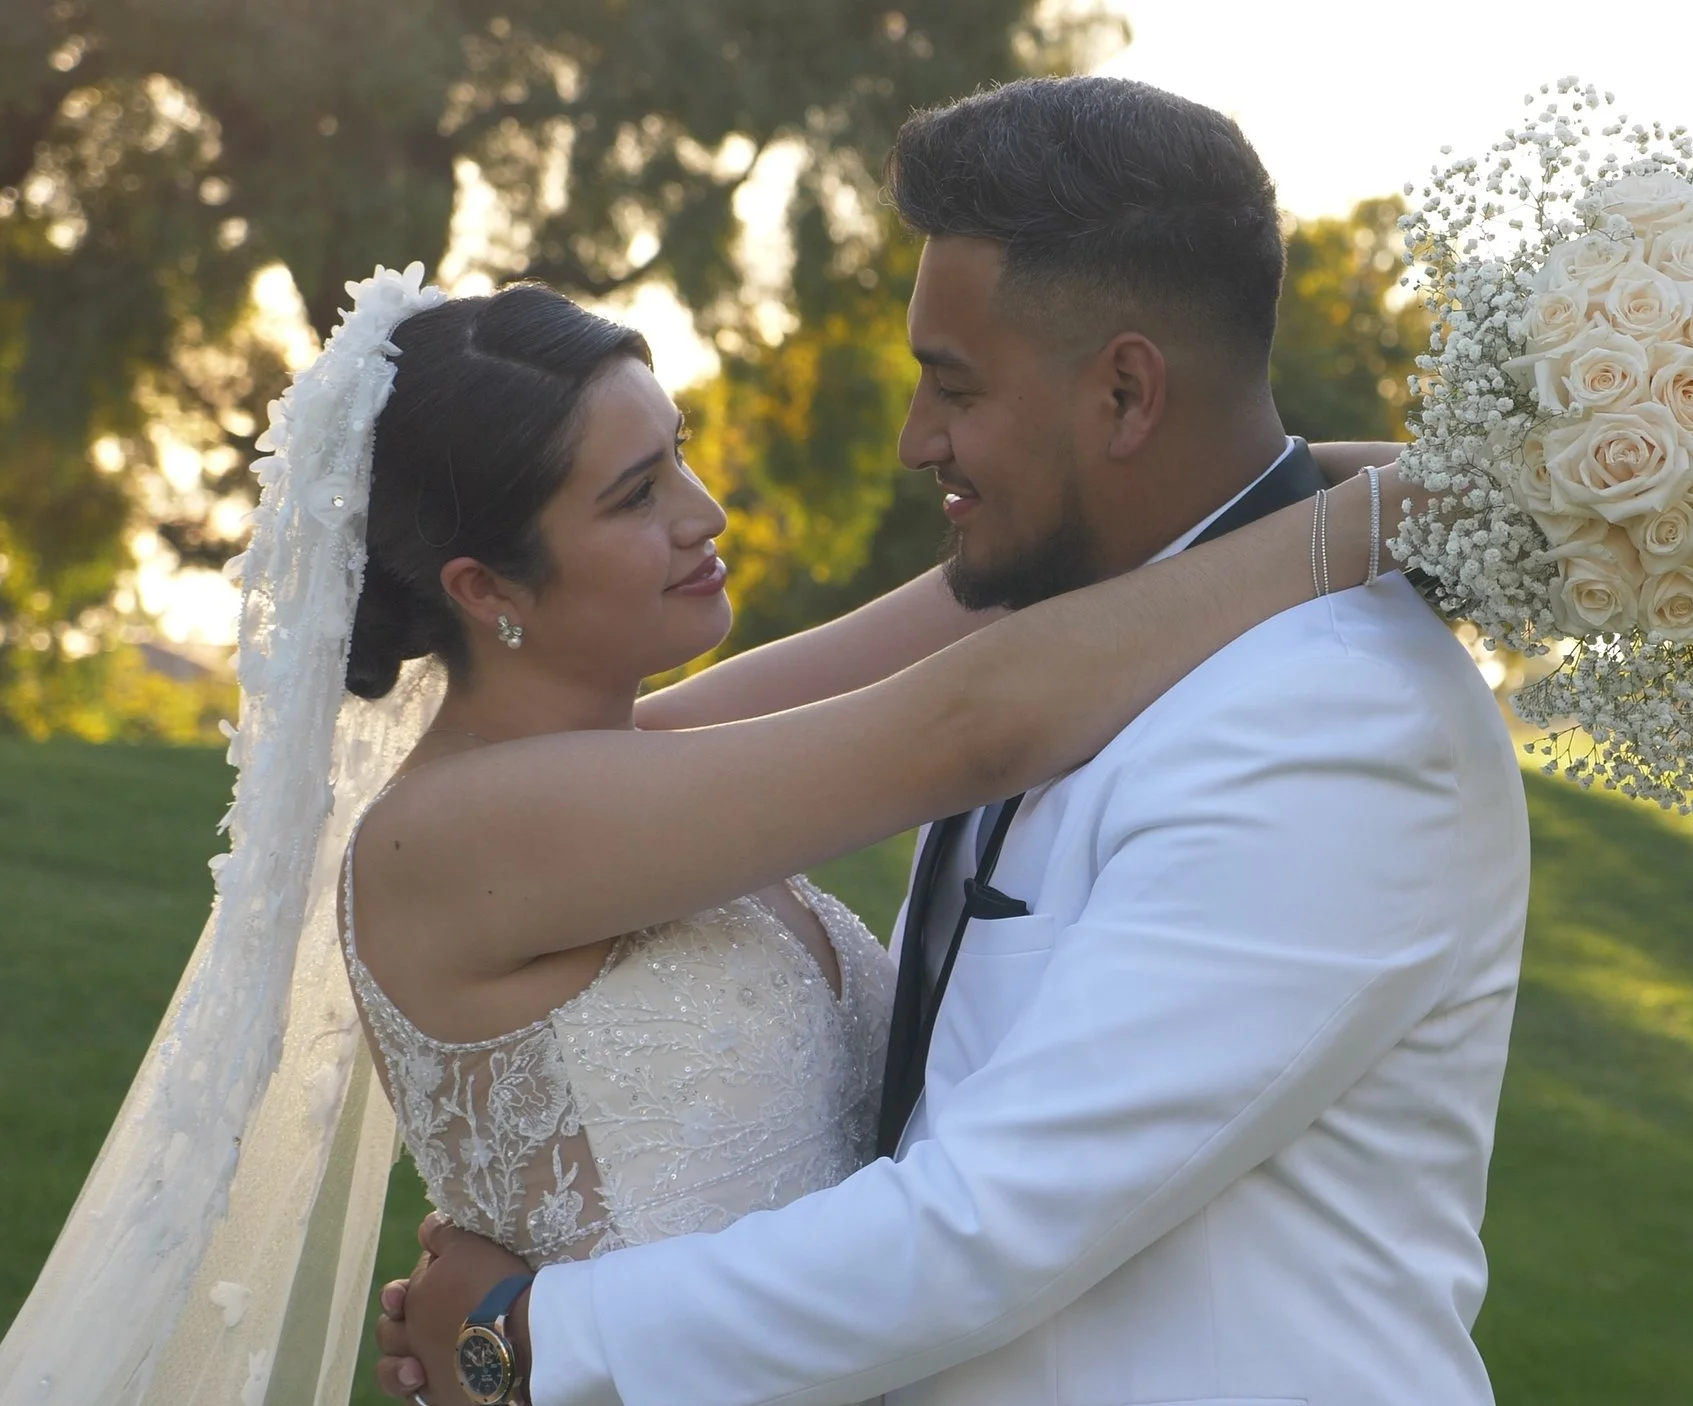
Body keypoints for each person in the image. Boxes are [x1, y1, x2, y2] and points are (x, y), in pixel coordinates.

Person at [381, 76, 1531, 1406]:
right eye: (638, 491)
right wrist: (1365, 501)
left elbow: (990, 1221)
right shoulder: (1062, 629)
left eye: (952, 384)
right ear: (482, 585)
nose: (915, 437)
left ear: (1123, 394)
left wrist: (536, 1336)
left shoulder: (1331, 717)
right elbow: (961, 716)